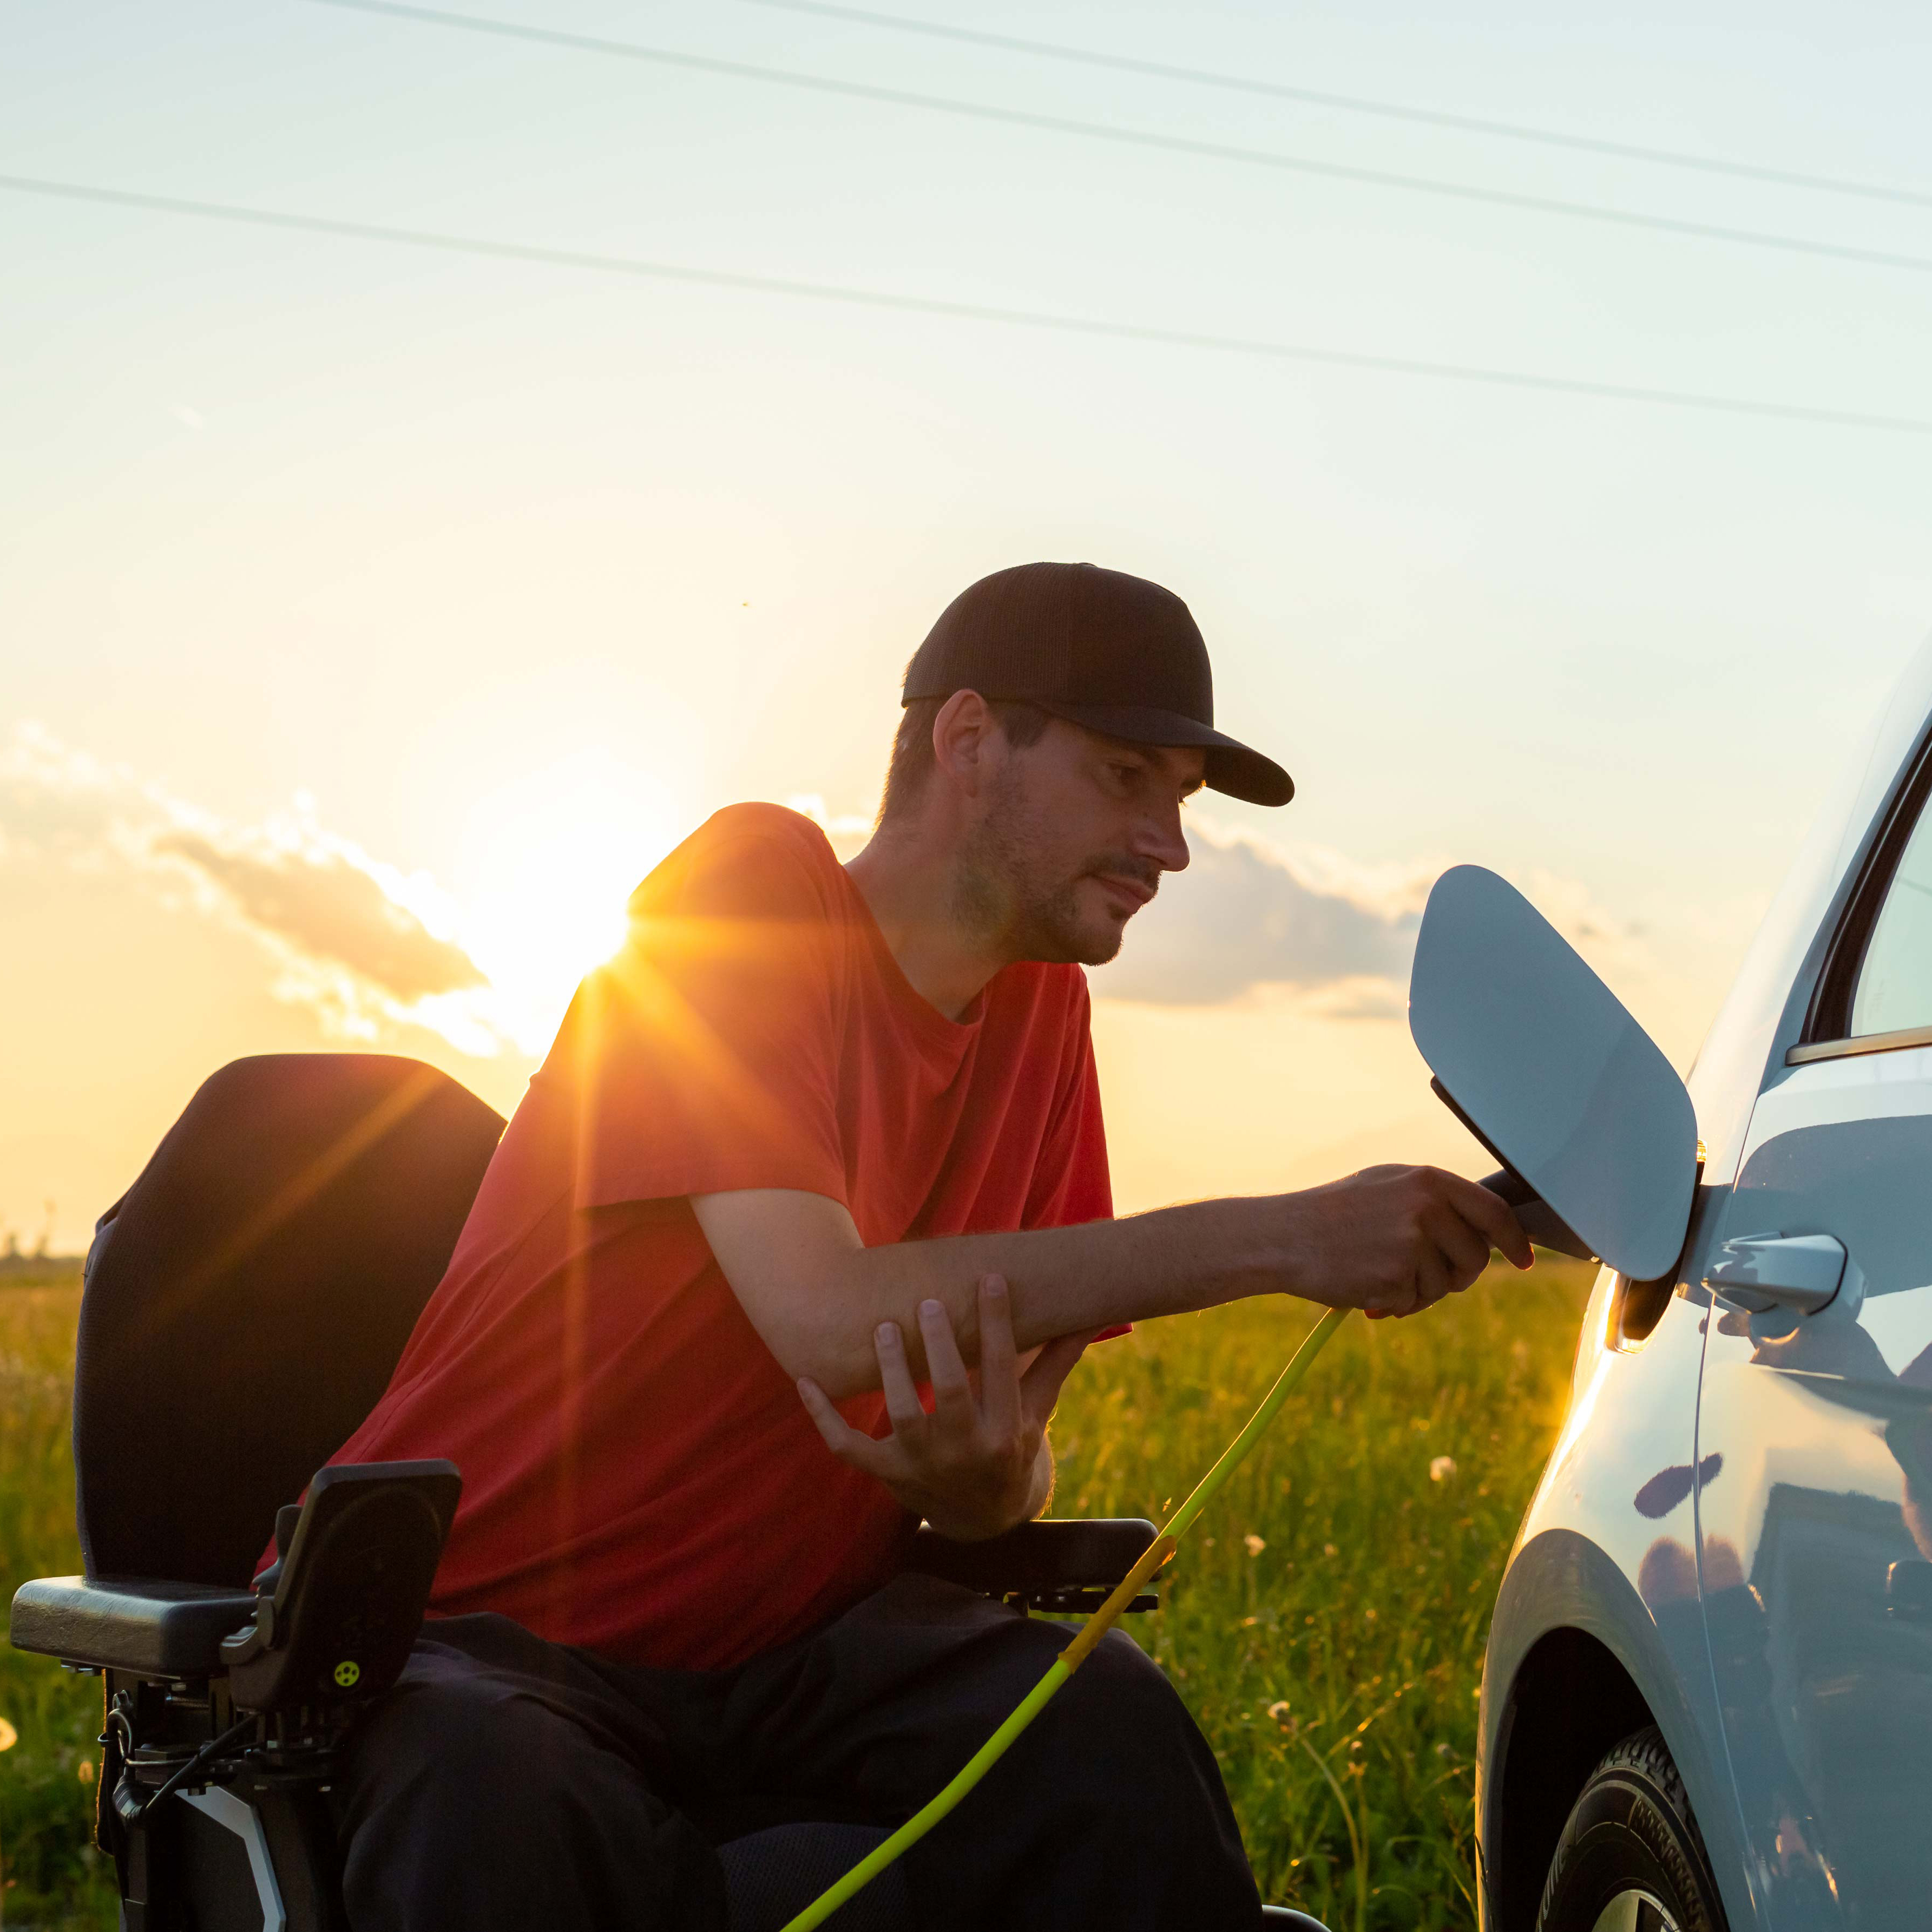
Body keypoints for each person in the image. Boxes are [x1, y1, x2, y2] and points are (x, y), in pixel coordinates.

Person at [321, 561, 1531, 1931]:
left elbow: (1004, 1462)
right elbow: (830, 1317)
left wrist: (985, 1488)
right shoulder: (748, 894)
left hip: (787, 1656)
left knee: (1103, 1735)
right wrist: (1288, 1238)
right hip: (489, 1642)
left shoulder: (1046, 1025)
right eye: (1127, 777)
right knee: (502, 1800)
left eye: (1178, 802)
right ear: (968, 742)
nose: (1170, 845)